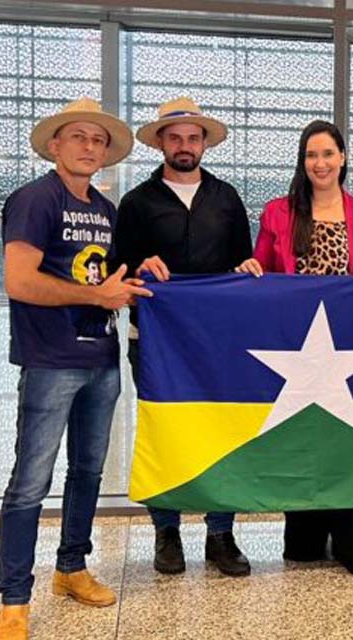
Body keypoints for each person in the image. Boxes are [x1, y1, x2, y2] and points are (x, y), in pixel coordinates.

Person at [0, 98, 151, 640]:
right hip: (50, 360)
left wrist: (136, 279)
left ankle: (72, 566)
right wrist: (96, 296)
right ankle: (14, 599)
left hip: (101, 359)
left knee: (87, 471)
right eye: (78, 137)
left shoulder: (106, 210)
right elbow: (19, 281)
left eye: (98, 140)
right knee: (30, 482)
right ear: (55, 145)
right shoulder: (35, 200)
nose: (89, 147)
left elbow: (108, 281)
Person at [237, 120, 353, 577]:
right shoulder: (277, 212)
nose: (320, 163)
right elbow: (263, 268)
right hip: (295, 343)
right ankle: (305, 531)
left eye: (328, 153)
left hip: (344, 344)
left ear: (342, 158)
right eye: (311, 155)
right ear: (302, 161)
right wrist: (249, 267)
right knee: (301, 433)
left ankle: (352, 538)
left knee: (344, 437)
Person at [114, 96, 253, 577]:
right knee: (165, 430)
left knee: (223, 430)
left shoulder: (227, 199)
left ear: (204, 144)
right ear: (160, 144)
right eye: (175, 138)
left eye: (193, 138)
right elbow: (118, 271)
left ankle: (221, 533)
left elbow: (242, 263)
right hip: (156, 341)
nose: (184, 146)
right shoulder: (136, 203)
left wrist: (248, 270)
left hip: (219, 341)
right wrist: (137, 267)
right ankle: (166, 530)